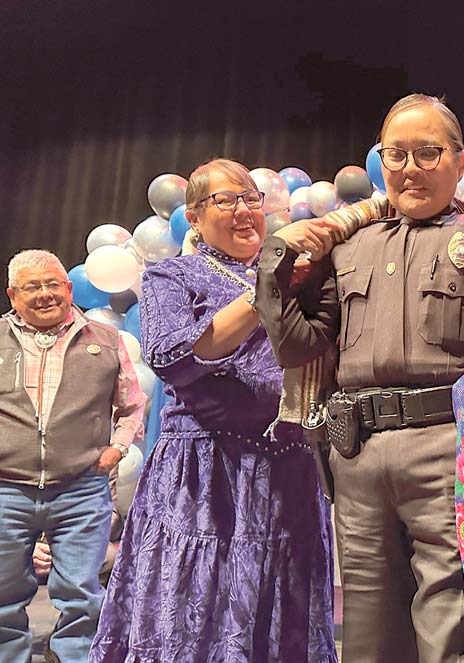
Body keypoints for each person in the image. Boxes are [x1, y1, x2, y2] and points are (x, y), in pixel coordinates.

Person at [257, 94, 464, 663]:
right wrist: (276, 268)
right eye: (395, 155)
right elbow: (300, 346)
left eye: (427, 153)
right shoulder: (349, 244)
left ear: (459, 160)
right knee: (367, 635)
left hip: (453, 452)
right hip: (356, 455)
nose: (409, 168)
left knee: (452, 626)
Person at [89, 159, 336, 663]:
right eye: (226, 200)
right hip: (203, 475)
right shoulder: (170, 275)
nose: (244, 209)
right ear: (195, 218)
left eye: (251, 198)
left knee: (283, 601)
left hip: (287, 467)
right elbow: (174, 356)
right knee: (194, 606)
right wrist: (264, 289)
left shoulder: (302, 278)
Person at [0, 249, 146, 663]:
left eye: (53, 284)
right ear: (13, 295)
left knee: (81, 597)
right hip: (6, 490)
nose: (45, 294)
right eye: (32, 287)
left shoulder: (107, 339)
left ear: (68, 288)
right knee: (3, 596)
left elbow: (133, 406)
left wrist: (118, 448)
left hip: (82, 490)